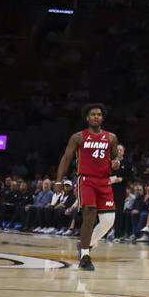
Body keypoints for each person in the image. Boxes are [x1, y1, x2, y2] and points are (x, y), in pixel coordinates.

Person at [54, 104, 119, 271]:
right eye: (93, 114)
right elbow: (66, 159)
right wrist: (58, 181)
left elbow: (114, 160)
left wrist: (117, 162)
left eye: (99, 114)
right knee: (89, 213)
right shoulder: (78, 137)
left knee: (108, 220)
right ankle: (85, 255)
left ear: (102, 118)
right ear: (87, 118)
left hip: (104, 181)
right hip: (86, 180)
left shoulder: (111, 137)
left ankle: (85, 244)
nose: (96, 117)